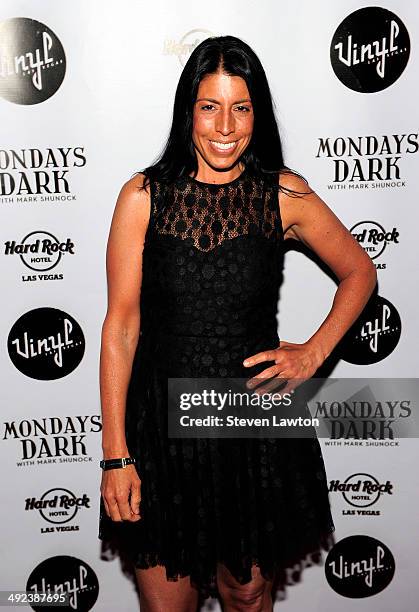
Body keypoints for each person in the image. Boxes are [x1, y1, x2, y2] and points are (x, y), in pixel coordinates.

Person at [98, 35, 377, 611]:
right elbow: (121, 327)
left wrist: (313, 353)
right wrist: (116, 456)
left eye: (241, 107)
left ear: (257, 112)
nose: (225, 125)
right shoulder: (142, 196)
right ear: (188, 112)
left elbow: (360, 274)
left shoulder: (284, 193)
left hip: (251, 422)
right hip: (161, 429)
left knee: (247, 596)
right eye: (210, 106)